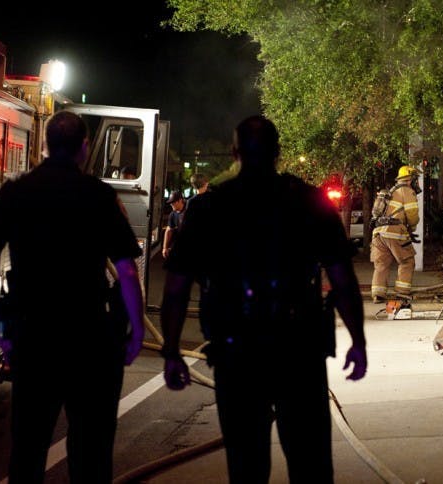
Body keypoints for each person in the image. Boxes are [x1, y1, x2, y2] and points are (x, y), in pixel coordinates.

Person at [160, 115, 367, 483]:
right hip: (298, 350)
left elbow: (176, 288)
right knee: (311, 464)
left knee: (246, 466)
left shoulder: (209, 208)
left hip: (236, 352)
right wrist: (357, 341)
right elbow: (342, 279)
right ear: (278, 152)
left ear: (234, 152)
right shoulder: (309, 201)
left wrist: (172, 350)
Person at [0, 110, 145, 484]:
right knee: (91, 455)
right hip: (90, 340)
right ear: (84, 147)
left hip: (33, 340)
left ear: (44, 145)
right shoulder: (100, 195)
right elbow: (126, 271)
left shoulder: (15, 192)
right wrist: (137, 330)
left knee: (27, 452)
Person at [369, 165, 421, 303]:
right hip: (394, 231)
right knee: (407, 261)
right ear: (410, 179)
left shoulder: (389, 192)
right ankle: (402, 293)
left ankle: (378, 295)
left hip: (378, 233)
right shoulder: (407, 190)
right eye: (416, 179)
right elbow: (412, 215)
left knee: (381, 264)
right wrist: (412, 228)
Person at [162, 190, 185, 259]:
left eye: (173, 202)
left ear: (180, 200)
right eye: (170, 202)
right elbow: (168, 230)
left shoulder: (189, 210)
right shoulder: (173, 214)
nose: (171, 204)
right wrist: (165, 248)